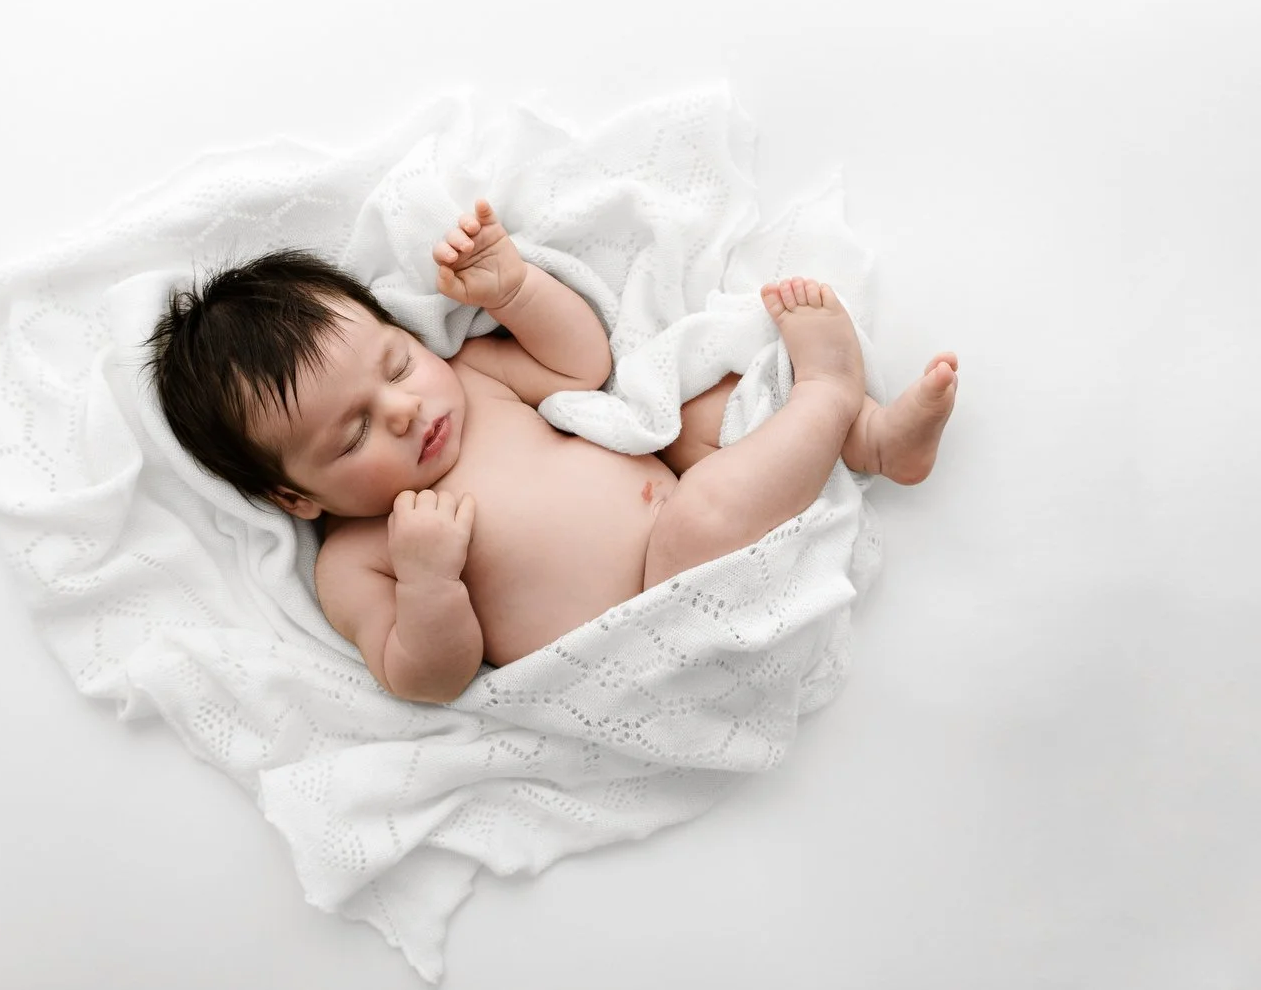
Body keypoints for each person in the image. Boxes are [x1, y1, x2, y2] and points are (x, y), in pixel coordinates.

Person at [145, 200, 957, 703]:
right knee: (705, 513)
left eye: (396, 363)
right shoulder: (357, 558)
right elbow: (426, 679)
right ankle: (830, 388)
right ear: (297, 497)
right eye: (353, 432)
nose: (403, 410)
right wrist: (429, 581)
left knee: (701, 398)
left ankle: (873, 443)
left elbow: (584, 366)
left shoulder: (471, 375)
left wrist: (513, 290)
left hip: (696, 485)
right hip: (665, 610)